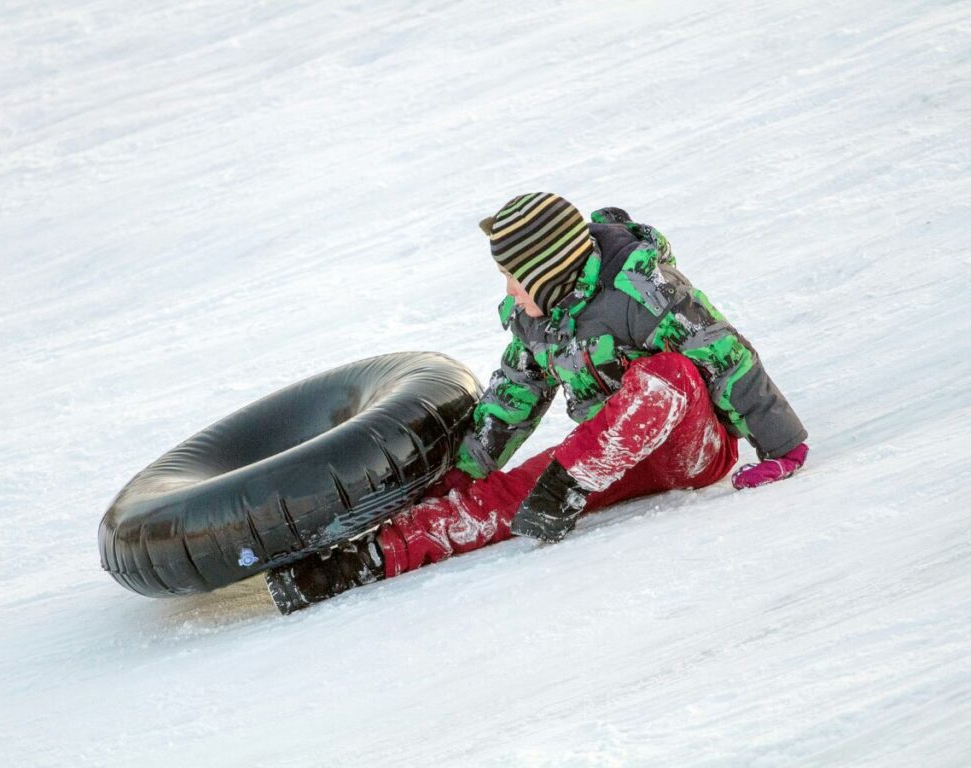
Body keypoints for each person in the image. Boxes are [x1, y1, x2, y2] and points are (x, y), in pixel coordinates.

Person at [266, 193, 809, 615]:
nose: (509, 289)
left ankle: (569, 483)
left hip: (691, 447)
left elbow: (724, 353)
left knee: (667, 374)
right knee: (504, 498)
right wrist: (460, 477)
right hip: (603, 460)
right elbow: (512, 399)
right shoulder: (536, 320)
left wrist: (781, 446)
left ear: (548, 268)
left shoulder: (642, 290)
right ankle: (356, 565)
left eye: (514, 275)